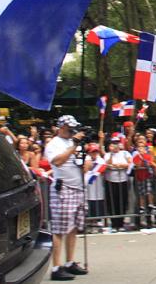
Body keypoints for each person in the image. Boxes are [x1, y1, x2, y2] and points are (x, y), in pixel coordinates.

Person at [44, 115, 89, 281]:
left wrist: (85, 160)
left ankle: (70, 262)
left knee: (73, 227)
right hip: (63, 189)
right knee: (59, 229)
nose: (72, 132)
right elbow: (57, 161)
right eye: (70, 128)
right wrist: (75, 145)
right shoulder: (53, 143)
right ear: (61, 127)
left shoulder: (72, 142)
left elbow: (83, 162)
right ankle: (56, 267)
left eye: (74, 129)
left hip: (77, 188)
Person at [103, 136, 132, 232]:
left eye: (117, 143)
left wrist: (122, 165)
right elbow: (108, 164)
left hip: (122, 180)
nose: (115, 145)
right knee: (112, 203)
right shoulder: (107, 154)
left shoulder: (125, 153)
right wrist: (111, 154)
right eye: (113, 143)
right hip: (111, 181)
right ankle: (114, 223)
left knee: (122, 202)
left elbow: (130, 163)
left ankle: (121, 222)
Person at [83, 143, 106, 233]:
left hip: (98, 188)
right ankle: (90, 224)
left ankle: (98, 224)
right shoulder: (86, 160)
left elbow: (102, 169)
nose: (94, 153)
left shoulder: (101, 161)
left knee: (98, 205)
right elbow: (85, 170)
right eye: (92, 152)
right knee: (89, 206)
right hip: (88, 188)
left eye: (96, 151)